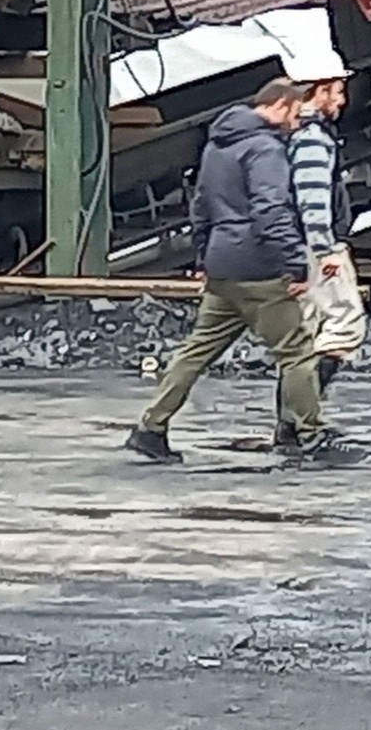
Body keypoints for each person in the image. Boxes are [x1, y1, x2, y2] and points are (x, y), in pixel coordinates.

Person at [127, 74, 339, 466]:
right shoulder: (265, 149)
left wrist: (203, 259)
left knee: (196, 351)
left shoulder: (216, 146)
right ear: (279, 105)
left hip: (222, 266)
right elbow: (270, 209)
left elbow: (201, 207)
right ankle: (313, 434)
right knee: (296, 353)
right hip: (259, 266)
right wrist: (295, 264)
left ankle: (149, 428)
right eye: (295, 112)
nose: (298, 121)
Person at [285, 57, 369, 430]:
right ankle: (305, 416)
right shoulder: (314, 139)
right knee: (344, 324)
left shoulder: (294, 132)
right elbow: (312, 198)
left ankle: (292, 420)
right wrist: (325, 250)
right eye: (337, 92)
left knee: (304, 332)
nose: (342, 100)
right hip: (317, 245)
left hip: (297, 244)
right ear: (319, 92)